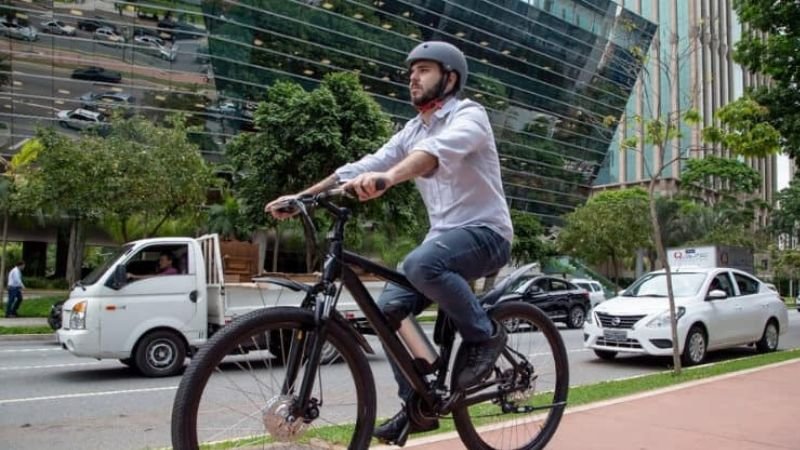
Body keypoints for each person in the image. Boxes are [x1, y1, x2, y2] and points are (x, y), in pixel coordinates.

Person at [265, 41, 513, 444]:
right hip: (444, 241)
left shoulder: (470, 115)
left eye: (425, 70)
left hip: (487, 235)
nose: (413, 77)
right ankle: (417, 405)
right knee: (388, 309)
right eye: (411, 71)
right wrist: (303, 197)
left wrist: (390, 179)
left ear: (450, 78)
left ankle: (484, 334)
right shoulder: (413, 129)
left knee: (419, 264)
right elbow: (364, 164)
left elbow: (435, 153)